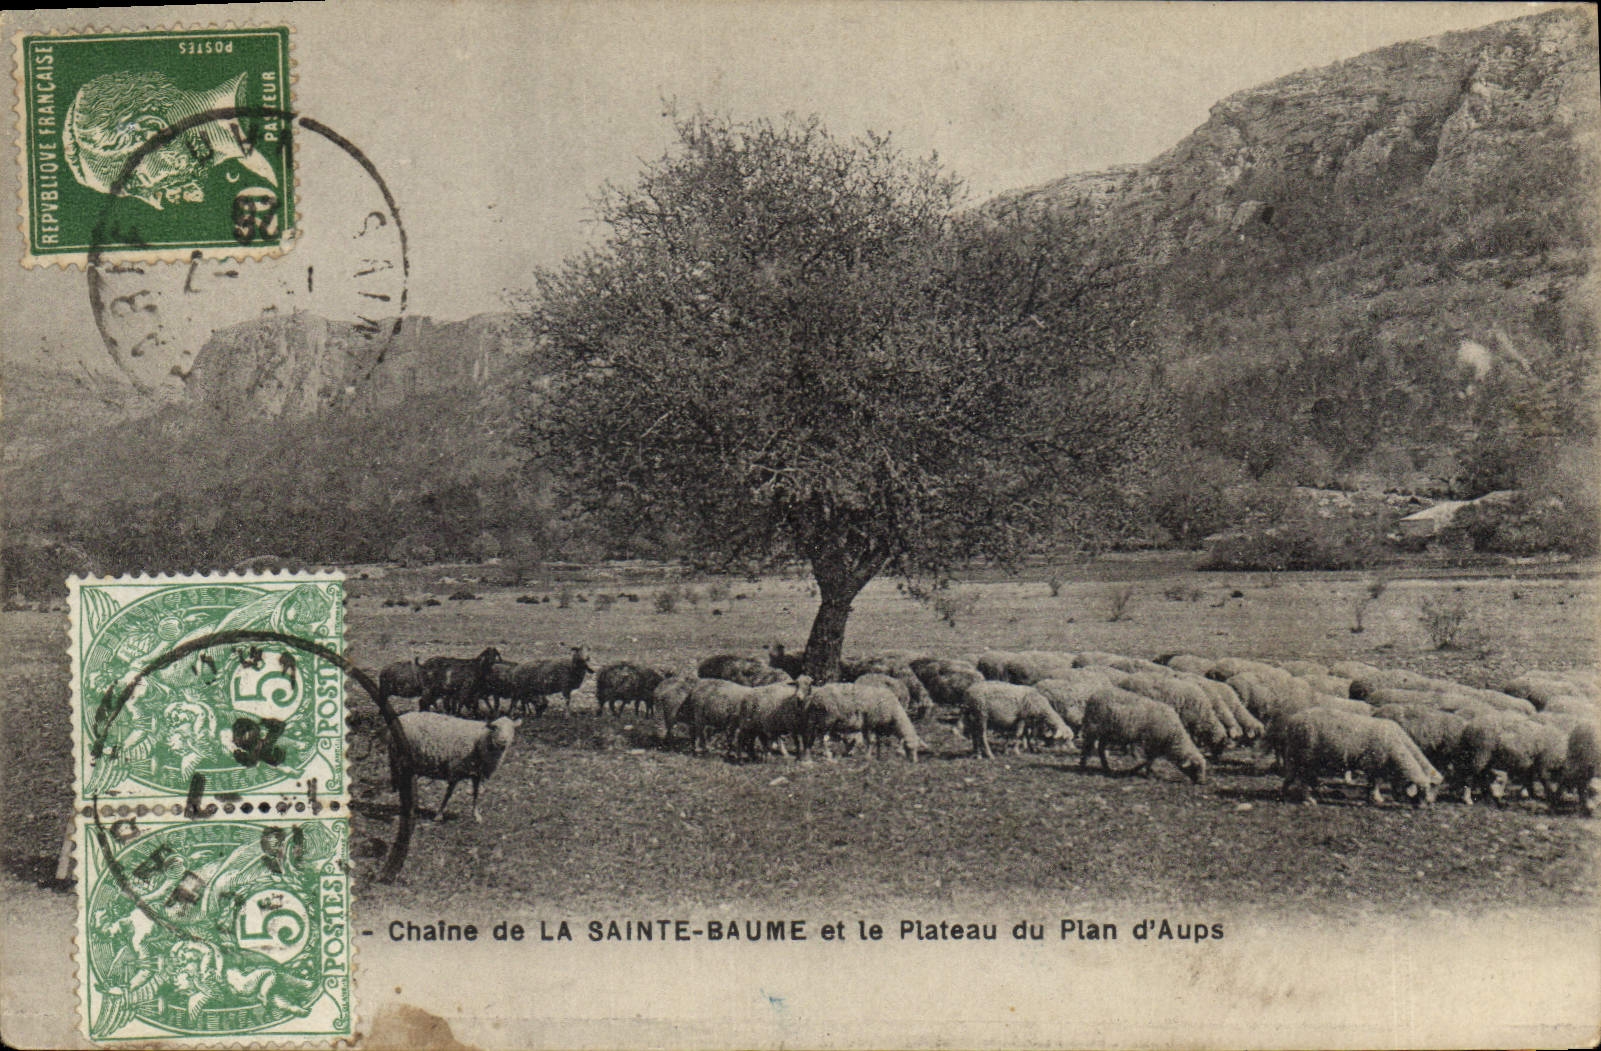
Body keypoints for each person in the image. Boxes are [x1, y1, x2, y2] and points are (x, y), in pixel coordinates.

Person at [63, 69, 278, 210]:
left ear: (153, 130)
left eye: (136, 183)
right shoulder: (248, 168)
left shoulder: (259, 95)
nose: (156, 201)